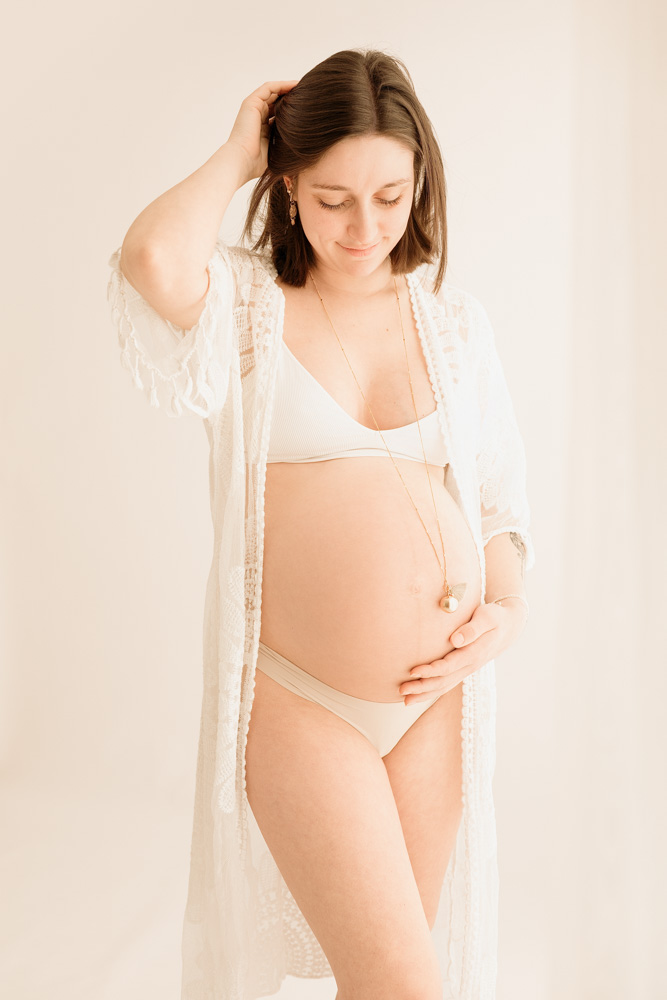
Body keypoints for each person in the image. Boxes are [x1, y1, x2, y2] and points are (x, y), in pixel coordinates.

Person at [107, 48, 535, 1000]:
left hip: (436, 705)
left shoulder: (454, 328)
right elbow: (151, 261)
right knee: (401, 987)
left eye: (389, 195)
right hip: (303, 705)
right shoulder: (249, 305)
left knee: (381, 987)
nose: (364, 225)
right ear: (288, 186)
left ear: (419, 183)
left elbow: (501, 506)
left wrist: (504, 609)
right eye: (334, 197)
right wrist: (234, 151)